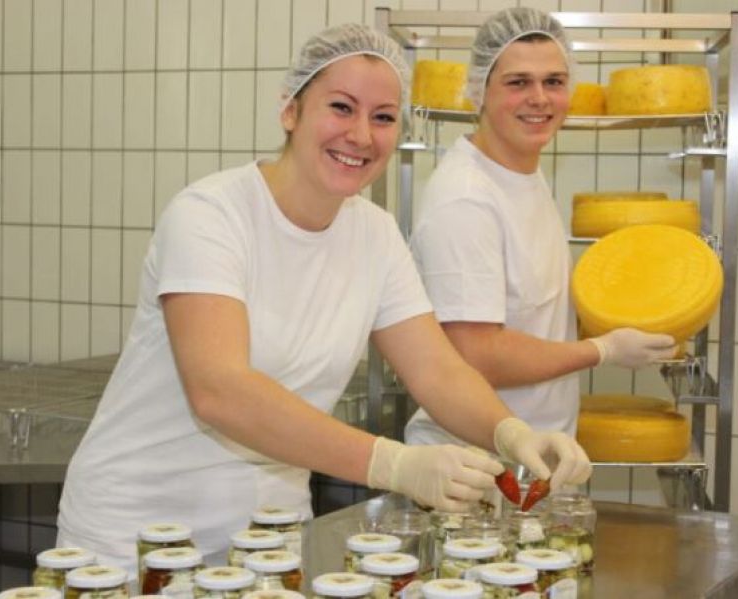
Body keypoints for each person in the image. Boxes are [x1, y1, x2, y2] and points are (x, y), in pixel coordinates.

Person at [57, 23, 590, 574]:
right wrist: (393, 464)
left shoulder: (375, 234)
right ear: (291, 110)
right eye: (341, 108)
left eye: (383, 117)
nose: (361, 135)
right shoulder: (211, 216)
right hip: (136, 540)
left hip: (269, 539)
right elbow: (219, 390)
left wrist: (512, 434)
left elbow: (436, 370)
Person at [405, 8, 678, 447]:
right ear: (480, 91)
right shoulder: (466, 198)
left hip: (533, 452)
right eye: (518, 83)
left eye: (554, 81)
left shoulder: (523, 174)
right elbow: (477, 354)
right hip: (475, 460)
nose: (540, 98)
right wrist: (603, 350)